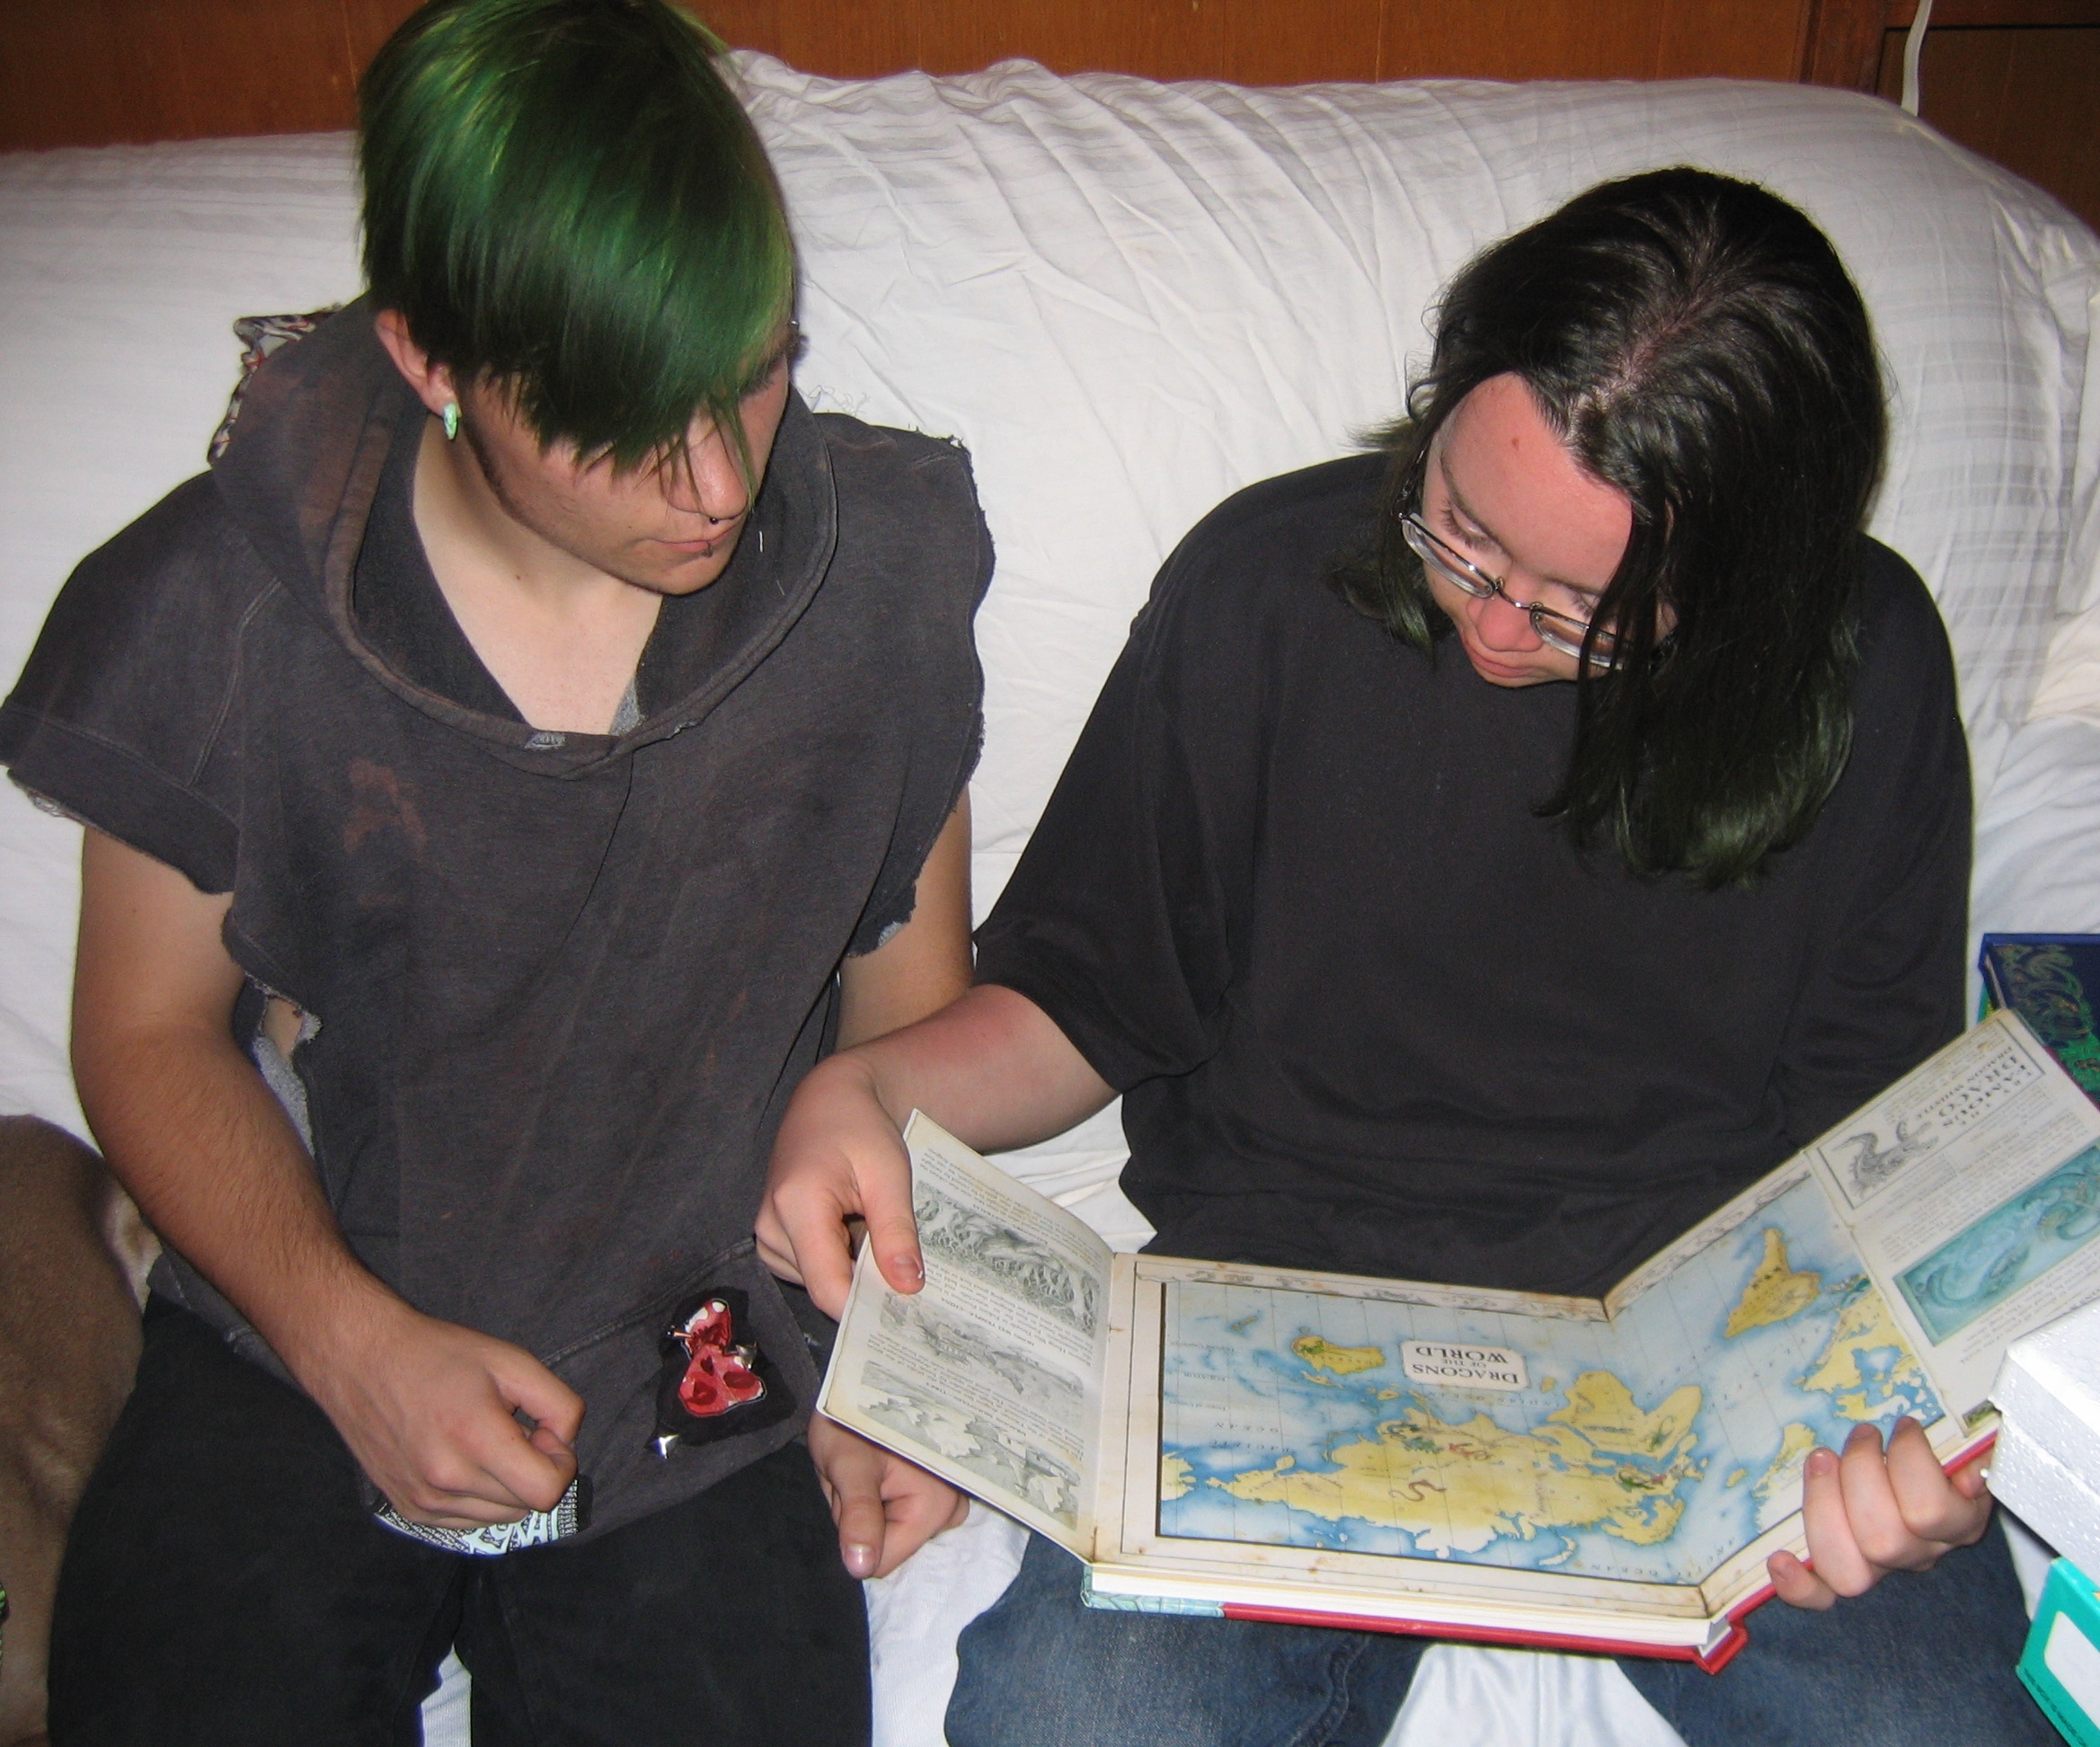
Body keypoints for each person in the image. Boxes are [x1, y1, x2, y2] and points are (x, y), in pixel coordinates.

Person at [758, 169, 2058, 1744]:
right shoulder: (1265, 584)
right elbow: (1087, 997)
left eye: (1584, 612)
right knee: (1076, 1720)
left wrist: (1925, 1456)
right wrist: (871, 1088)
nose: (1493, 630)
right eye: (1463, 531)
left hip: (1718, 1353)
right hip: (1276, 1324)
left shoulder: (1862, 663)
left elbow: (1875, 1153)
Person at [0, 0, 981, 1739]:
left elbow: (910, 1032)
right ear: (429, 360)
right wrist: (350, 1346)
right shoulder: (218, 605)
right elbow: (148, 1032)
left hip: (706, 1343)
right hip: (306, 1306)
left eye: (757, 367)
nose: (718, 482)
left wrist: (896, 1373)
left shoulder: (873, 578)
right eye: (617, 418)